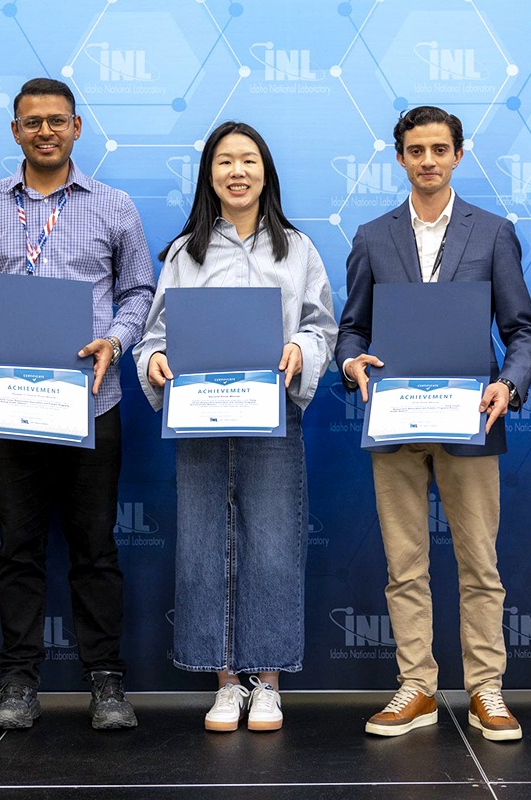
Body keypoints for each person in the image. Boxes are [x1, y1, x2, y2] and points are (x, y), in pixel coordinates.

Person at [0, 77, 155, 731]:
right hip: (10, 404)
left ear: (76, 128)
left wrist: (115, 340)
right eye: (32, 122)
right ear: (15, 131)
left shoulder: (114, 206)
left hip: (92, 401)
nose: (45, 131)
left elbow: (140, 290)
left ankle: (107, 682)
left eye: (57, 120)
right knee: (18, 548)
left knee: (95, 547)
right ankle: (17, 682)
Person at [336, 106, 531, 741]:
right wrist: (350, 363)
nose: (428, 160)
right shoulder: (372, 236)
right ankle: (418, 687)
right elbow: (352, 328)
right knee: (404, 564)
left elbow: (523, 330)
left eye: (439, 149)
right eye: (416, 150)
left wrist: (510, 384)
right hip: (395, 422)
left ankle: (486, 689)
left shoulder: (495, 233)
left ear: (458, 154)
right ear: (400, 157)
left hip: (472, 418)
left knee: (480, 563)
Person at [134, 121, 336, 733]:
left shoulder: (296, 249)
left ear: (265, 172)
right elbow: (153, 336)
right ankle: (224, 683)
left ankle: (267, 682)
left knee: (272, 544)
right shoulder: (184, 252)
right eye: (225, 161)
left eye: (249, 160)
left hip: (272, 418)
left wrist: (301, 347)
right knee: (203, 544)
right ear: (210, 176)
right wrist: (155, 360)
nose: (237, 171)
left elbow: (321, 325)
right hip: (199, 420)